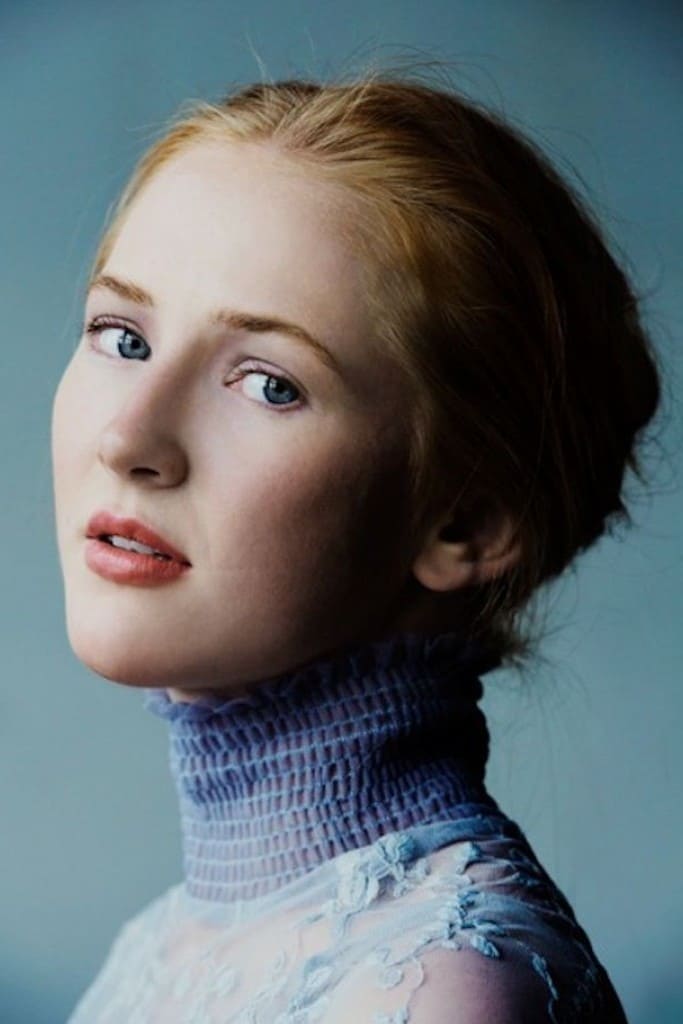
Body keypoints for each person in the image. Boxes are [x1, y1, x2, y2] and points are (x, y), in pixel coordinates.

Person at [51, 70, 662, 1023]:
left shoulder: (439, 988)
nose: (127, 437)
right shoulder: (157, 947)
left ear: (462, 523)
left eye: (270, 384)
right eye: (123, 337)